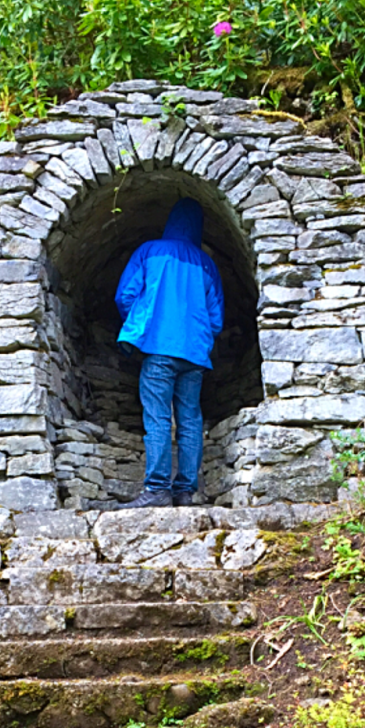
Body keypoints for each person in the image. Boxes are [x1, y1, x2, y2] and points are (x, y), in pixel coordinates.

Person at [114, 197, 224, 508]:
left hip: (159, 349)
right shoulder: (207, 264)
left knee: (158, 416)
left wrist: (141, 323)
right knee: (190, 419)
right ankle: (185, 492)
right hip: (195, 355)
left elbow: (125, 295)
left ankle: (157, 490)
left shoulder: (149, 251)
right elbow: (216, 319)